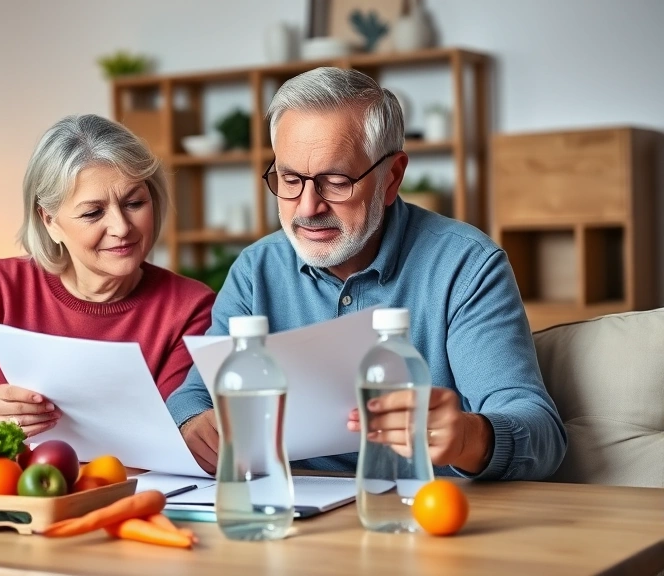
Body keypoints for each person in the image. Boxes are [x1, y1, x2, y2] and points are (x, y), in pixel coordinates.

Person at [166, 68, 567, 481]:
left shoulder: (466, 267)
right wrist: (193, 421)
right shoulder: (256, 270)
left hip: (422, 517)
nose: (307, 208)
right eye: (289, 180)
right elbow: (194, 396)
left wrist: (470, 437)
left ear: (391, 177)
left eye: (335, 182)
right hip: (291, 514)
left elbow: (541, 431)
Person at [0, 114, 215, 455]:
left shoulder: (191, 307)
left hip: (118, 498)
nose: (121, 227)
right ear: (50, 221)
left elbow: (167, 439)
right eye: (92, 213)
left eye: (134, 203)